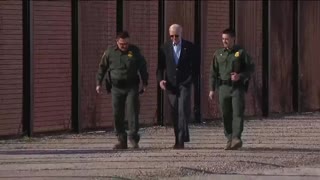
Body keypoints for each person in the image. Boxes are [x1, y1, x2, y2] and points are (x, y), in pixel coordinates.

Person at [96, 31, 148, 149]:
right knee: (117, 114)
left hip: (131, 87)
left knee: (132, 113)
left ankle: (134, 138)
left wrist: (145, 82)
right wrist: (98, 83)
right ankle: (121, 139)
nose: (124, 46)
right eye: (122, 44)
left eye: (126, 44)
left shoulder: (135, 51)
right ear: (117, 42)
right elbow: (102, 68)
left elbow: (143, 67)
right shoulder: (110, 52)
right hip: (116, 88)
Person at [209, 28, 254, 150]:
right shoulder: (218, 54)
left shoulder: (240, 52)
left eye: (227, 39)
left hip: (236, 88)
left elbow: (250, 69)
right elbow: (213, 72)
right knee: (225, 113)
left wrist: (240, 76)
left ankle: (236, 138)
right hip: (223, 87)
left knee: (237, 113)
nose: (225, 41)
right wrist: (212, 89)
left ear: (233, 39)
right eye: (223, 39)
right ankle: (229, 138)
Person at [157, 24, 200, 149]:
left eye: (176, 36)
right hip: (171, 84)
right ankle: (178, 137)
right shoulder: (164, 48)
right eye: (172, 36)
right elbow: (160, 68)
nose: (174, 38)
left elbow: (196, 67)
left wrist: (191, 80)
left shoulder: (190, 47)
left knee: (182, 110)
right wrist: (161, 80)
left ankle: (180, 141)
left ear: (181, 34)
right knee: (175, 111)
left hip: (184, 83)